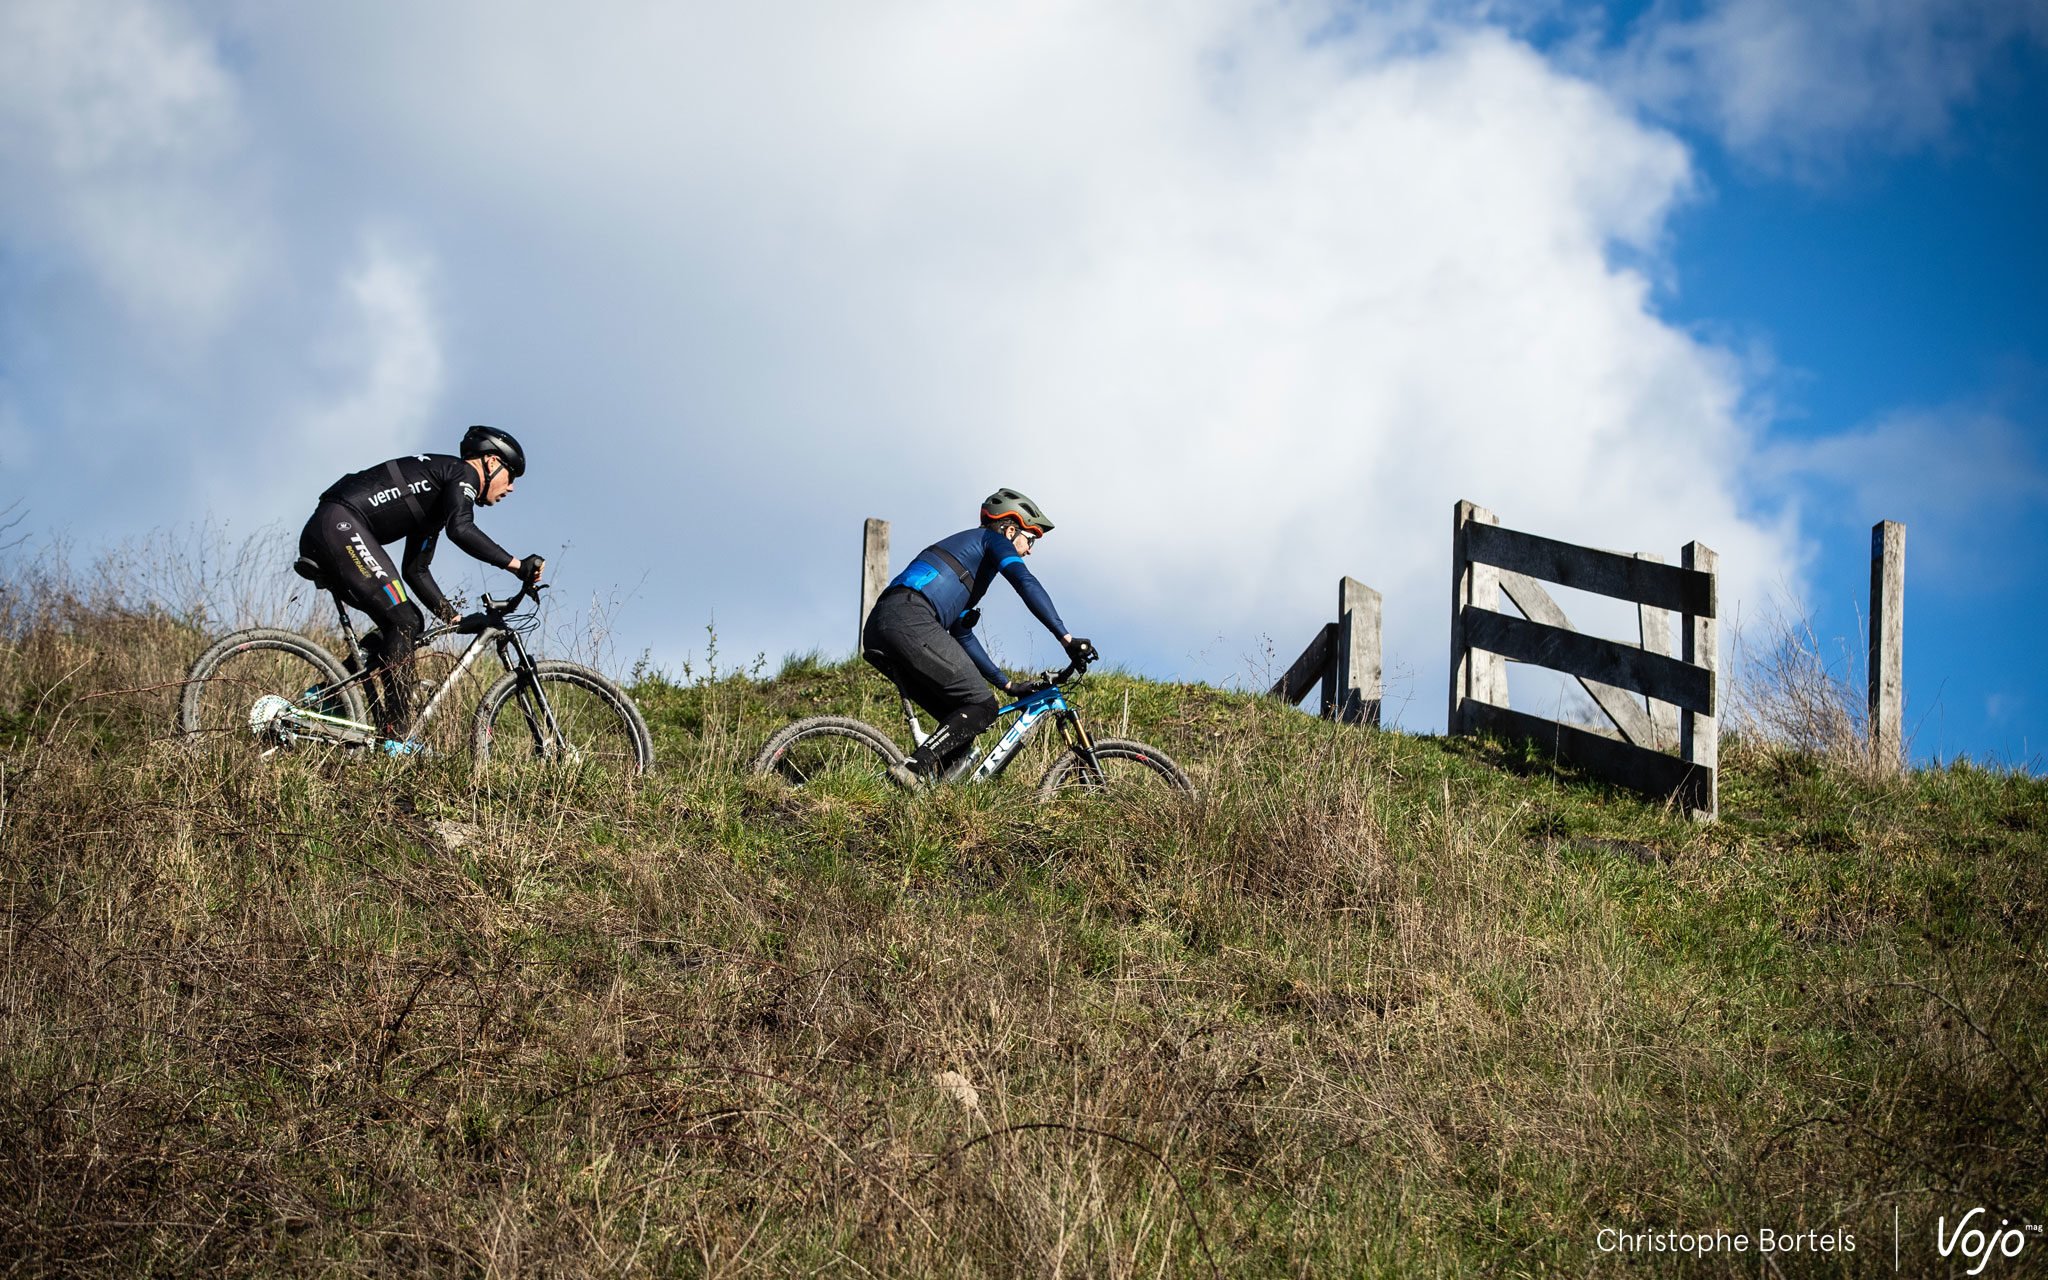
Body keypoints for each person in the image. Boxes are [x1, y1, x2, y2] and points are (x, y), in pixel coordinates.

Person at [297, 425, 544, 741]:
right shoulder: (463, 473)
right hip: (340, 524)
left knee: (402, 622)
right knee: (405, 620)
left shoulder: (435, 497)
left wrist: (453, 618)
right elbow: (461, 529)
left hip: (330, 526)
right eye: (511, 476)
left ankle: (330, 696)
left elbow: (416, 570)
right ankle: (397, 735)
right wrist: (517, 565)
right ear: (492, 461)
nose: (510, 488)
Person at [862, 488, 1095, 792]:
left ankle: (927, 802)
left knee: (964, 723)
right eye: (1030, 539)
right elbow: (1025, 582)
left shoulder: (969, 561)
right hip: (910, 617)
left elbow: (962, 633)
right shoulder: (991, 540)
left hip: (886, 623)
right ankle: (911, 768)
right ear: (1010, 531)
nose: (1029, 551)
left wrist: (1008, 685)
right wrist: (1066, 639)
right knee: (982, 705)